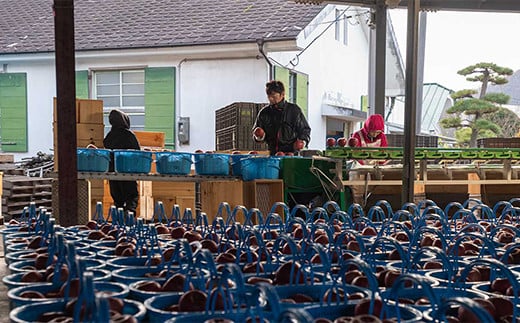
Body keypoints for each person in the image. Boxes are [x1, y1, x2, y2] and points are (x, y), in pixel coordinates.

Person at [252, 80, 311, 156]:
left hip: (291, 154)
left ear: (282, 94)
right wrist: (259, 136)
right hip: (272, 155)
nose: (270, 98)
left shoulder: (294, 110)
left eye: (273, 96)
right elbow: (257, 135)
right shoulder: (264, 113)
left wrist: (302, 141)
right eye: (268, 96)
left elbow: (305, 129)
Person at [103, 109, 141, 215]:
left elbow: (105, 147)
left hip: (113, 171)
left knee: (117, 199)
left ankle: (118, 221)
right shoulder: (129, 135)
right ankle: (129, 220)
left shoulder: (110, 135)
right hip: (127, 170)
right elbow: (137, 152)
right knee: (131, 197)